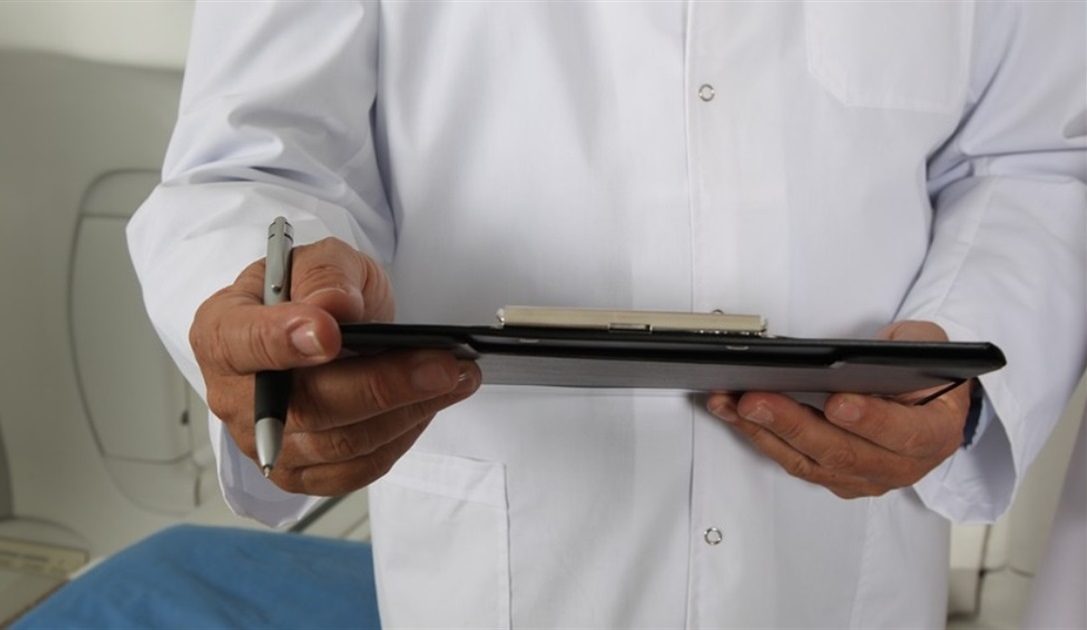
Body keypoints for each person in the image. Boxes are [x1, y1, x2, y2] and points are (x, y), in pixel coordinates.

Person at [127, 2, 1086, 627]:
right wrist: (274, 311)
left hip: (836, 566)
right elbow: (258, 160)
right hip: (518, 563)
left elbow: (1035, 158)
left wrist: (956, 364)